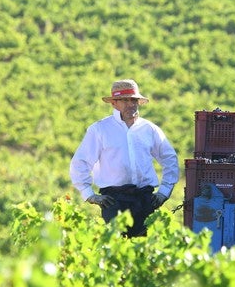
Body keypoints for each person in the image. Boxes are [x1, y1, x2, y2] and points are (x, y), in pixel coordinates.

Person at [69, 79, 179, 237]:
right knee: (117, 249)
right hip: (114, 201)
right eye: (125, 100)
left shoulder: (149, 129)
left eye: (133, 100)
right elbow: (80, 163)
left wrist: (164, 191)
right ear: (114, 103)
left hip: (145, 199)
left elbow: (170, 160)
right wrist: (89, 194)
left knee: (146, 251)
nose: (130, 104)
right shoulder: (99, 129)